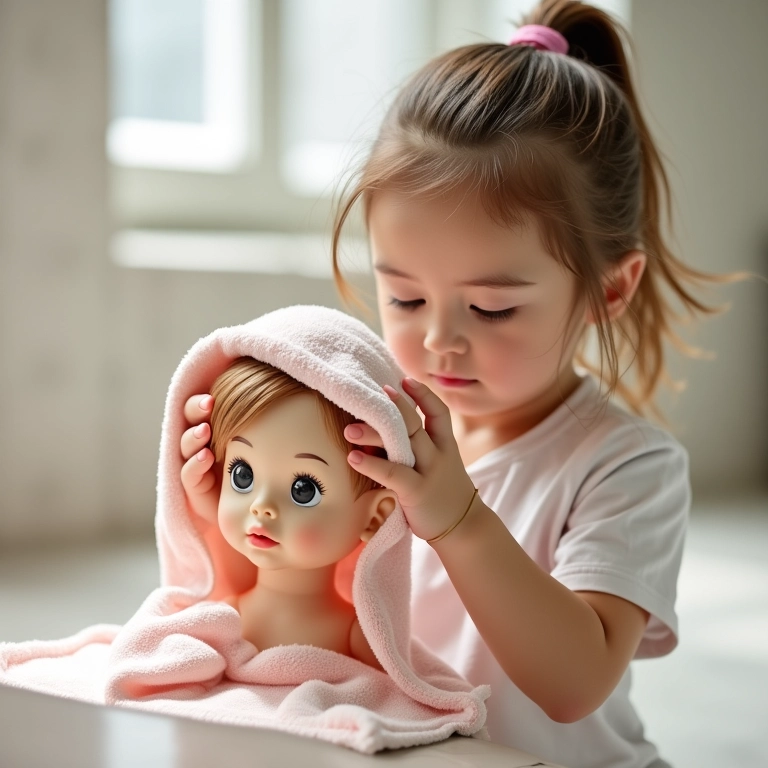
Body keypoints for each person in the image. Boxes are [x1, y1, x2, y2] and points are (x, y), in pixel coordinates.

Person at [180, 2, 734, 766]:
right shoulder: (365, 429)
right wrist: (230, 508)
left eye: (492, 307)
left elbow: (575, 685)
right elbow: (298, 613)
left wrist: (460, 520)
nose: (439, 338)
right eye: (404, 297)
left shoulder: (626, 466)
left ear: (609, 289)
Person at [192, 355, 396, 669]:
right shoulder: (224, 620)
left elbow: (401, 700)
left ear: (375, 517)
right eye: (242, 474)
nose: (261, 506)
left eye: (303, 489)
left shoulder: (358, 635)